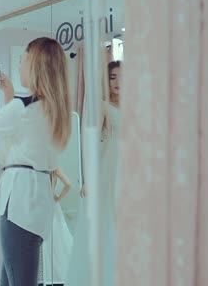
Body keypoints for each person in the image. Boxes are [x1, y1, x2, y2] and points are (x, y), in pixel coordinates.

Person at [0, 37, 72, 286]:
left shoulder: (25, 107)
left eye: (22, 60)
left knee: (18, 279)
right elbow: (18, 136)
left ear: (34, 66)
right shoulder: (52, 110)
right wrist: (9, 93)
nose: (20, 66)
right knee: (16, 276)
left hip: (19, 201)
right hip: (37, 202)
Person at [65, 61, 122, 286]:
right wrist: (88, 179)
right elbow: (90, 143)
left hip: (128, 176)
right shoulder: (102, 106)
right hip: (107, 174)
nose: (117, 82)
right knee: (104, 229)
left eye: (121, 76)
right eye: (112, 77)